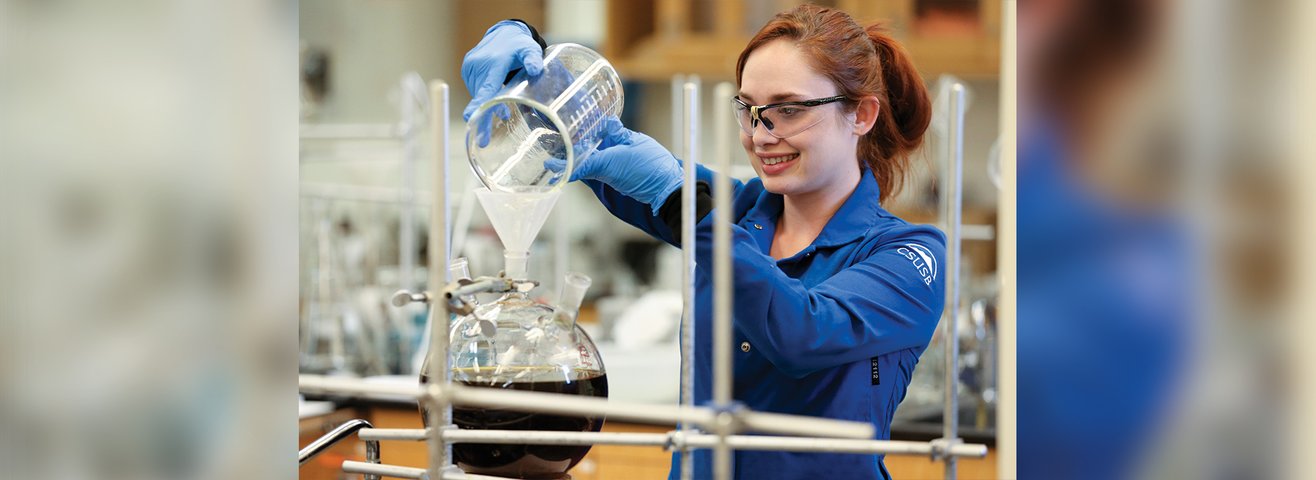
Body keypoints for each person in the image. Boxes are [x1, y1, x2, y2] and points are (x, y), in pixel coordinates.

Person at [462, 5, 943, 479]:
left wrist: (680, 200)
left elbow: (802, 333)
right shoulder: (738, 212)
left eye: (789, 109)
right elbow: (597, 141)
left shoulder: (908, 257)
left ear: (860, 114)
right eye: (749, 110)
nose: (760, 135)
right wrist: (527, 49)